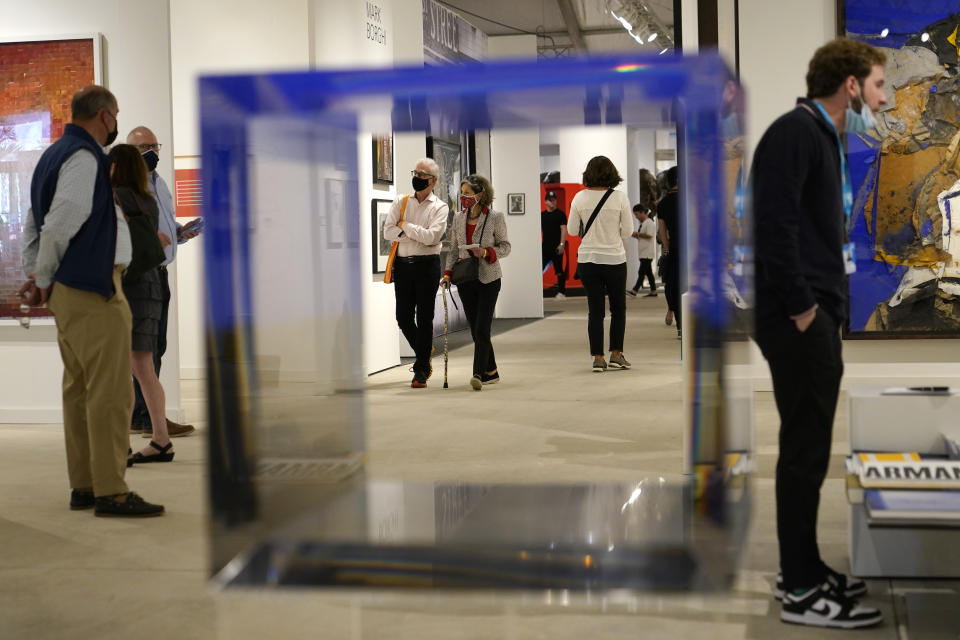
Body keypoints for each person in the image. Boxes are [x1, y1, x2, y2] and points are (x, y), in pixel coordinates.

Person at [752, 38, 887, 629]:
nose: (884, 98)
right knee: (804, 453)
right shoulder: (795, 132)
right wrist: (806, 308)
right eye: (878, 85)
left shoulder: (815, 135)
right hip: (797, 321)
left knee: (807, 451)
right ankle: (802, 590)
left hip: (807, 317)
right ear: (851, 85)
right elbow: (772, 226)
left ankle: (801, 568)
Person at [18, 85, 163, 517]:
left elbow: (34, 221)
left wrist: (38, 273)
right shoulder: (83, 158)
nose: (115, 123)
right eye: (115, 115)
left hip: (74, 288)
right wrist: (41, 275)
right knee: (110, 393)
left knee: (80, 390)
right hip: (93, 289)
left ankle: (85, 484)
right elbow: (61, 221)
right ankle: (111, 491)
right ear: (104, 115)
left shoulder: (53, 155)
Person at [124, 126, 199, 439]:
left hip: (161, 270)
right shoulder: (128, 186)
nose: (150, 152)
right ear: (130, 152)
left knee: (157, 347)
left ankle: (143, 416)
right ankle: (147, 418)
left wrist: (179, 233)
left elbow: (162, 225)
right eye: (142, 147)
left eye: (153, 145)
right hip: (142, 274)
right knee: (145, 349)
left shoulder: (159, 182)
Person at [108, 144, 176, 464]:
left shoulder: (115, 199)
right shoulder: (146, 199)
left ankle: (121, 444)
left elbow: (117, 249)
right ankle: (161, 439)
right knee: (145, 369)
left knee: (124, 371)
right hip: (151, 286)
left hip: (129, 286)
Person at [383, 158, 449, 388]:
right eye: (416, 173)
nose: (418, 178)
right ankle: (425, 351)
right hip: (403, 265)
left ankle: (421, 368)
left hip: (427, 266)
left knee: (424, 316)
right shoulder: (401, 201)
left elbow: (432, 238)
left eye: (423, 175)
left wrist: (405, 226)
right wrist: (414, 232)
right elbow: (387, 231)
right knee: (402, 316)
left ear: (433, 181)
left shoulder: (440, 207)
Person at [442, 175, 511, 390]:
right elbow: (453, 250)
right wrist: (447, 273)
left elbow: (506, 246)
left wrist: (486, 251)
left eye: (468, 194)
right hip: (465, 279)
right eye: (462, 194)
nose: (464, 198)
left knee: (482, 328)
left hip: (489, 278)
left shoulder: (495, 217)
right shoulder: (458, 218)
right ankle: (492, 370)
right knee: (475, 329)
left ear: (480, 195)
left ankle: (478, 374)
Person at [567, 156, 633, 372]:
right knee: (618, 309)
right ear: (612, 173)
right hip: (614, 259)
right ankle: (616, 354)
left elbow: (571, 230)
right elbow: (628, 232)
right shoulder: (620, 198)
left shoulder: (579, 198)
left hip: (588, 260)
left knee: (595, 311)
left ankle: (598, 357)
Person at [657, 166, 681, 336]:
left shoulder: (663, 203)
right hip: (691, 248)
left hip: (674, 248)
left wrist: (667, 248)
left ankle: (680, 325)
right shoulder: (691, 198)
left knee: (673, 284)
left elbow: (662, 231)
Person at [541, 190, 567, 299]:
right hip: (545, 247)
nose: (552, 202)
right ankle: (536, 290)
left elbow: (564, 230)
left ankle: (561, 292)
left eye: (554, 200)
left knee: (559, 270)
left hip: (557, 247)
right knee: (539, 268)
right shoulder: (542, 215)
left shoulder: (560, 214)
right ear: (546, 202)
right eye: (550, 200)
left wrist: (562, 244)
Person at [628, 204, 657, 297]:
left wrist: (638, 234)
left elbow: (649, 235)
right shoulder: (643, 224)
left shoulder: (649, 223)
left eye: (636, 214)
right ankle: (653, 291)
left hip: (647, 253)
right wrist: (635, 234)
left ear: (642, 212)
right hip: (643, 252)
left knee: (641, 273)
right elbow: (643, 236)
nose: (636, 217)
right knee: (649, 273)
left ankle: (634, 291)